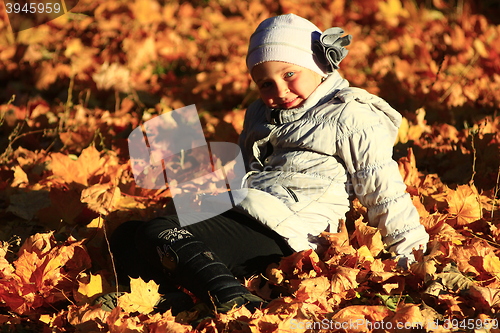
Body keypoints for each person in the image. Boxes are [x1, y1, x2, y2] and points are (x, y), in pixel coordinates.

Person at [102, 13, 429, 316]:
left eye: (290, 75)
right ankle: (169, 298)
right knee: (127, 234)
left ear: (318, 65)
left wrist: (413, 259)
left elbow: (384, 191)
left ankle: (234, 299)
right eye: (266, 83)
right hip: (252, 212)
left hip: (291, 231)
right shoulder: (260, 113)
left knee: (160, 232)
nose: (280, 91)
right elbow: (247, 173)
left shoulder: (350, 115)